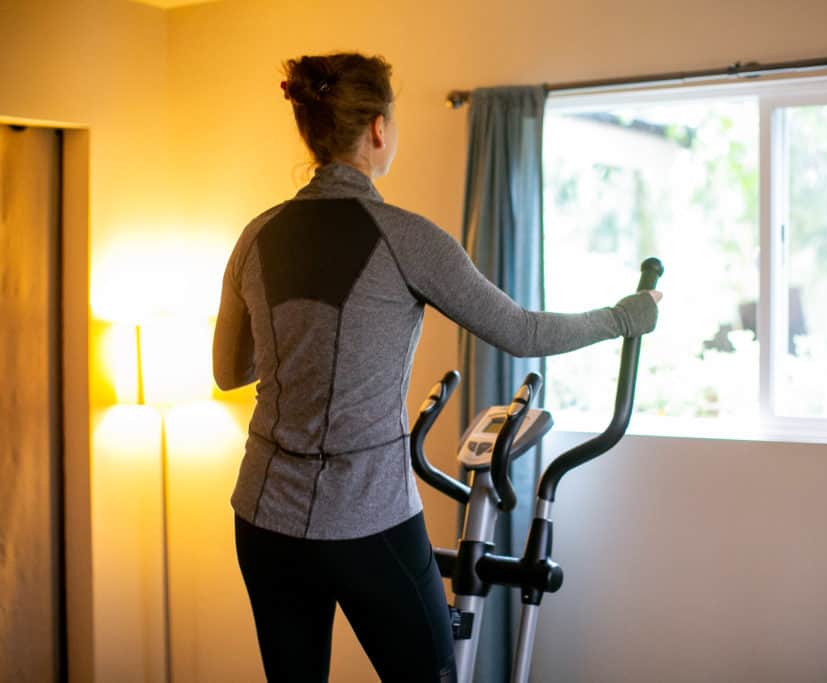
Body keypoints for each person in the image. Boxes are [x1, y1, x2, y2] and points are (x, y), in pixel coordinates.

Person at [212, 52, 661, 683]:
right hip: (368, 520)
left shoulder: (256, 236)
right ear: (377, 129)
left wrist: (301, 342)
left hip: (263, 519)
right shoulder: (404, 236)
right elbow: (520, 330)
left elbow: (230, 372)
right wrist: (624, 316)